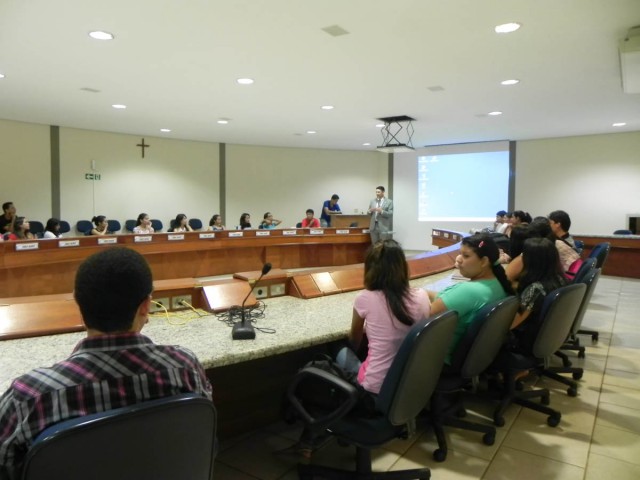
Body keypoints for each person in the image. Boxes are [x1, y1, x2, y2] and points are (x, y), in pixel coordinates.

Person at [0, 248, 212, 478]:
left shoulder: (27, 397)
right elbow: (204, 439)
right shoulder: (185, 368)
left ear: (78, 303)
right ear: (145, 306)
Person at [338, 239, 431, 395]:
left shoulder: (365, 298)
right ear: (403, 266)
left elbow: (354, 340)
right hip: (411, 383)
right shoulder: (422, 295)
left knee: (338, 347)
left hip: (375, 388)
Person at [427, 233, 514, 364]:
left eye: (466, 256)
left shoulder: (468, 291)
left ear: (484, 261)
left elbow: (424, 315)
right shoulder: (496, 284)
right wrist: (422, 293)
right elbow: (448, 299)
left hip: (437, 360)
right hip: (471, 359)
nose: (459, 259)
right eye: (460, 254)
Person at [508, 237, 567, 355]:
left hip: (524, 341)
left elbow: (511, 324)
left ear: (530, 261)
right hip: (550, 335)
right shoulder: (559, 279)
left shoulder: (535, 289)